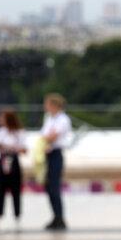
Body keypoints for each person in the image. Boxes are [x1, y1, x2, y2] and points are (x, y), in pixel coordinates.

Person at [40, 93, 72, 231]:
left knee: (54, 186)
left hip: (56, 154)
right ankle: (55, 216)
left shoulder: (63, 119)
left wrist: (47, 138)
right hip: (48, 154)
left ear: (54, 105)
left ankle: (60, 217)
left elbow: (52, 137)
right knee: (49, 187)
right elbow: (44, 136)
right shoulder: (49, 118)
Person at [0, 109, 27, 232]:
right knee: (0, 190)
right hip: (2, 162)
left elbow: (24, 149)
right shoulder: (1, 132)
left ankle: (17, 218)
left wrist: (14, 148)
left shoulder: (19, 132)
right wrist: (4, 147)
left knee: (16, 190)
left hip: (14, 162)